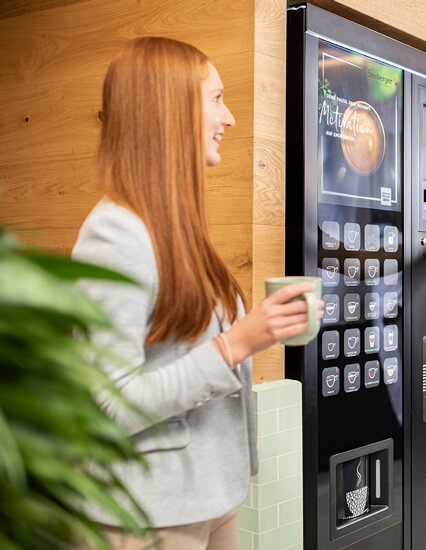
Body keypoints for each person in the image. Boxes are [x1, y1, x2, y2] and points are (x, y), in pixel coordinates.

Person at [72, 37, 321, 549]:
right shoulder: (114, 235)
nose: (229, 118)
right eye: (216, 99)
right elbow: (108, 403)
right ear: (169, 108)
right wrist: (237, 343)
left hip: (210, 497)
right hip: (148, 512)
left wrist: (261, 331)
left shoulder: (177, 228)